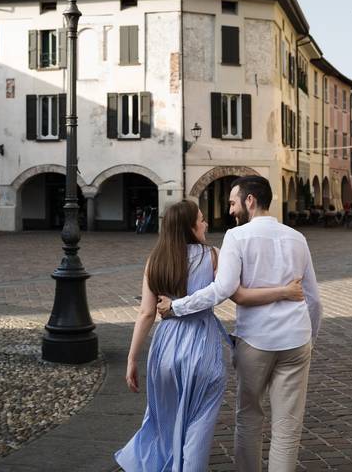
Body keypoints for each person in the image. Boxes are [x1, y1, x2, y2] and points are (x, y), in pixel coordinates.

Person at [115, 200, 303, 472]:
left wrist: (132, 358)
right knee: (198, 429)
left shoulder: (154, 261)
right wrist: (284, 292)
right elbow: (234, 293)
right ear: (190, 227)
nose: (205, 224)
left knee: (163, 420)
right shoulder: (213, 255)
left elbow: (146, 313)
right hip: (203, 349)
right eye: (201, 220)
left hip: (165, 349)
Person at [158, 176, 322, 472]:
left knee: (248, 416)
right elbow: (314, 299)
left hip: (256, 341)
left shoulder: (237, 237)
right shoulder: (298, 238)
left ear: (249, 201)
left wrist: (177, 306)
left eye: (233, 202)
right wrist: (309, 337)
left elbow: (221, 290)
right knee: (287, 425)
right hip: (297, 341)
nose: (230, 210)